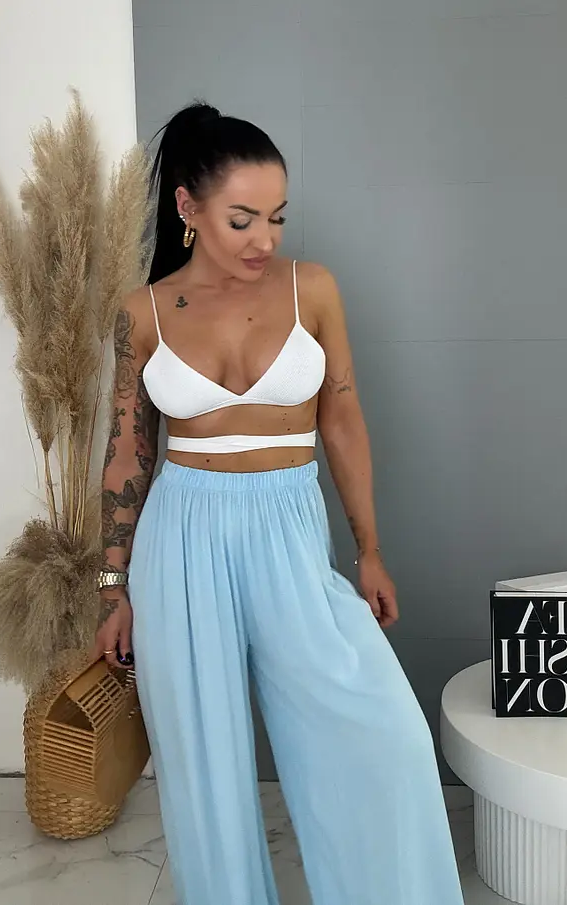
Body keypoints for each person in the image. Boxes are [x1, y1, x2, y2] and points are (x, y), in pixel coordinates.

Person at [94, 101, 464, 905]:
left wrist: (368, 550)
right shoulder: (141, 314)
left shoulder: (312, 289)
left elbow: (343, 418)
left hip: (288, 530)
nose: (265, 239)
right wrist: (114, 587)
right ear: (189, 208)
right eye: (243, 219)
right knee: (202, 766)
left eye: (277, 217)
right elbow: (127, 452)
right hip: (181, 540)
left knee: (384, 735)